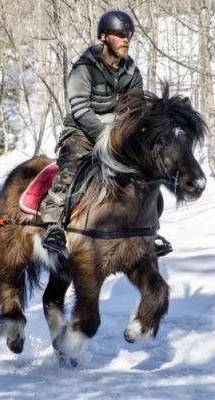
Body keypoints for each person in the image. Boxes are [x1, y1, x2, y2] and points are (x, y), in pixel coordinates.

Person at [40, 10, 172, 258]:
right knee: (68, 171)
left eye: (128, 35)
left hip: (118, 137)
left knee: (146, 174)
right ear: (104, 36)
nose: (126, 39)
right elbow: (79, 108)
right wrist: (105, 136)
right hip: (82, 132)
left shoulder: (132, 71)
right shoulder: (84, 68)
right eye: (120, 34)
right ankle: (54, 227)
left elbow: (135, 109)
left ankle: (147, 232)